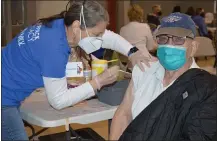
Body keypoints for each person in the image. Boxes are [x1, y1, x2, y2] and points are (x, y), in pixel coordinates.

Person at [1, 1, 153, 140]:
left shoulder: (60, 25)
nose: (100, 39)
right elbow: (59, 101)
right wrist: (98, 82)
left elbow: (109, 37)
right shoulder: (54, 47)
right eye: (96, 35)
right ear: (76, 26)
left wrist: (132, 51)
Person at [110, 13, 217, 141]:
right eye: (163, 39)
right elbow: (124, 113)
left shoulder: (203, 88)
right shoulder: (143, 70)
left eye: (178, 39)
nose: (169, 45)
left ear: (193, 47)